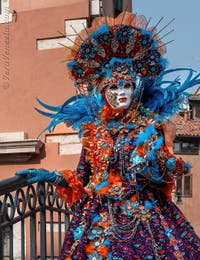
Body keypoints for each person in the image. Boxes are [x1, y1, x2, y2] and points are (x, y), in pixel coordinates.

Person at [16, 12, 200, 259]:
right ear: (103, 92)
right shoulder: (94, 132)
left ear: (135, 89)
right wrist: (49, 176)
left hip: (144, 215)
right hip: (99, 219)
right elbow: (82, 176)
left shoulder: (151, 126)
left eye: (126, 85)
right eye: (114, 87)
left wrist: (159, 166)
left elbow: (165, 170)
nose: (121, 92)